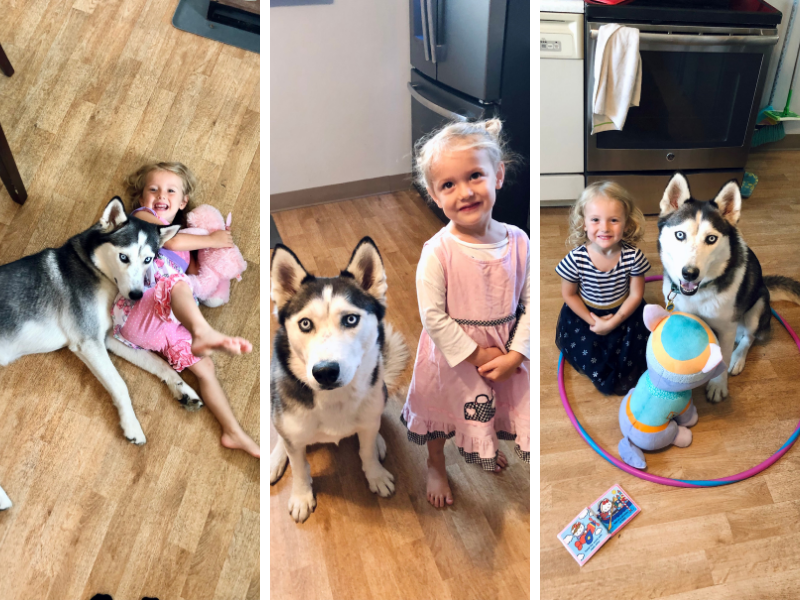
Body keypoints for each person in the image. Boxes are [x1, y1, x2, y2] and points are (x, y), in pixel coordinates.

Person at [400, 119, 530, 508]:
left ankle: (483, 445)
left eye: (475, 176)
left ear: (498, 175)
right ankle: (436, 463)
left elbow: (530, 304)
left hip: (504, 357)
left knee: (486, 408)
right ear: (434, 196)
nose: (465, 192)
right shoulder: (437, 252)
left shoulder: (519, 242)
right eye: (448, 185)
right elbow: (433, 317)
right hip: (452, 360)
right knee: (442, 415)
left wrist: (516, 355)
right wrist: (476, 354)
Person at [111, 161, 259, 458]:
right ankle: (201, 330)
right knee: (176, 285)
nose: (160, 195)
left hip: (160, 329)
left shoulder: (185, 245)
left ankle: (233, 431)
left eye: (170, 190)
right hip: (137, 306)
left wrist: (215, 265)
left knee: (205, 368)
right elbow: (172, 239)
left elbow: (194, 280)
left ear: (183, 201)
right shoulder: (142, 218)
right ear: (141, 199)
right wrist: (212, 239)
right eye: (152, 189)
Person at [555, 181, 650, 396]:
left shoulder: (633, 257)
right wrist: (594, 322)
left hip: (625, 311)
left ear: (626, 223)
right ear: (584, 224)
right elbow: (568, 294)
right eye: (596, 220)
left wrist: (615, 321)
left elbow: (636, 294)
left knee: (633, 354)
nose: (605, 228)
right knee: (592, 354)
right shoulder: (576, 259)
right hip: (586, 314)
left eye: (614, 220)